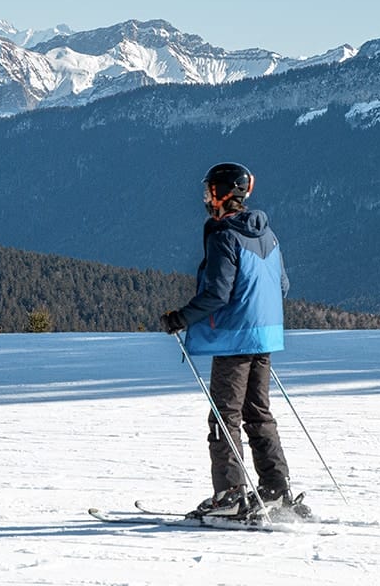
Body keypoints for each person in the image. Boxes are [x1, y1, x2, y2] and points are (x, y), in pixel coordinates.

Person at [160, 162, 296, 520]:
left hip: (234, 338)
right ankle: (276, 489)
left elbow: (217, 294)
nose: (206, 198)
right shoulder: (267, 235)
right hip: (264, 335)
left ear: (222, 194)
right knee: (258, 414)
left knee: (224, 417)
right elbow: (282, 285)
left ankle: (231, 495)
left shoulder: (224, 235)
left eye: (209, 191)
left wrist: (180, 318)